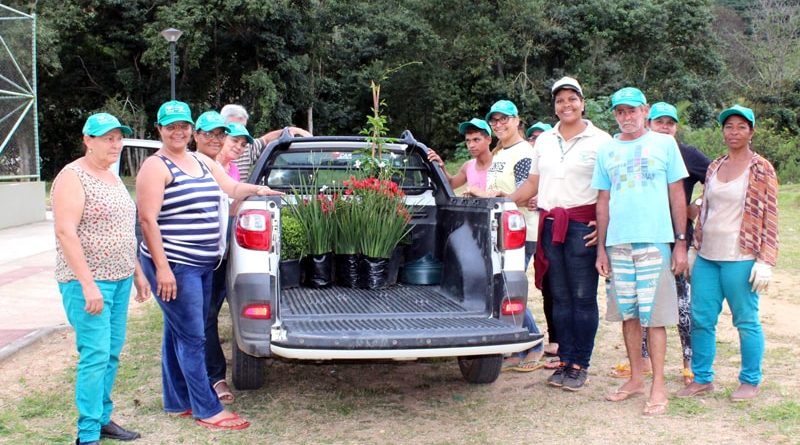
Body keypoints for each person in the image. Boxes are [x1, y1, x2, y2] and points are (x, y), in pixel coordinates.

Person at [136, 100, 281, 431]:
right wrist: (162, 268)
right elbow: (147, 220)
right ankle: (207, 408)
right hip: (176, 263)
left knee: (179, 331)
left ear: (190, 130)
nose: (178, 132)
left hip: (202, 263)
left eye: (183, 126)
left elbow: (230, 188)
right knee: (192, 337)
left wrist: (261, 190)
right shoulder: (155, 167)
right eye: (171, 127)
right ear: (159, 130)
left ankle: (177, 401)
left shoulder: (199, 162)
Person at [507, 77, 612, 390]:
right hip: (551, 226)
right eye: (560, 100)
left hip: (583, 226)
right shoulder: (544, 141)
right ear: (554, 106)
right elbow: (532, 185)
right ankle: (565, 359)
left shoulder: (601, 140)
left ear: (582, 102)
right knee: (560, 298)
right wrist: (499, 202)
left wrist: (605, 227)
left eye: (572, 99)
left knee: (582, 297)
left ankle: (581, 363)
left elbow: (611, 190)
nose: (566, 105)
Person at [52, 113, 150, 445]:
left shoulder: (112, 176)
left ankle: (103, 417)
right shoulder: (73, 176)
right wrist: (88, 283)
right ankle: (88, 434)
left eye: (118, 137)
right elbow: (66, 232)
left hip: (120, 279)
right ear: (87, 140)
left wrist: (137, 272)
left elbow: (124, 231)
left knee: (111, 352)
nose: (115, 144)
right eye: (106, 138)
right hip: (88, 284)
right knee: (94, 354)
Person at [593, 87, 688, 415]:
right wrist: (601, 249)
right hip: (618, 244)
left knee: (656, 317)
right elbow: (602, 201)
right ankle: (636, 378)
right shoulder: (607, 150)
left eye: (632, 110)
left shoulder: (664, 143)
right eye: (620, 112)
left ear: (645, 110)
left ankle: (658, 385)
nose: (626, 117)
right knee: (629, 314)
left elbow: (677, 194)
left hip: (654, 242)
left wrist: (680, 242)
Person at [677, 105, 778, 402]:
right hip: (709, 255)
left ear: (751, 131)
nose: (734, 132)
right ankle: (702, 378)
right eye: (729, 126)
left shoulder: (761, 168)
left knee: (745, 319)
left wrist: (765, 259)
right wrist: (695, 247)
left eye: (741, 127)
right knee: (701, 318)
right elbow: (706, 208)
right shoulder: (715, 166)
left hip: (742, 256)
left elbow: (770, 215)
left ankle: (749, 380)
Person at [608, 102, 711, 384]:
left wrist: (698, 203)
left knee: (681, 305)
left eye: (671, 122)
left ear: (676, 126)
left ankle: (688, 360)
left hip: (674, 240)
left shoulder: (685, 153)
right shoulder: (636, 149)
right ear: (649, 121)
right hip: (633, 239)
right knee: (641, 306)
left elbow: (716, 176)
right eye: (660, 121)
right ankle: (642, 362)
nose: (665, 126)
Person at [482, 99, 544, 371]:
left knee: (508, 287)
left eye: (504, 119)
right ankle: (517, 348)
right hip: (499, 229)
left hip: (520, 231)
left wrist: (501, 198)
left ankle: (534, 342)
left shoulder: (523, 153)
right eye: (494, 120)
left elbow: (526, 191)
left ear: (518, 120)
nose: (499, 124)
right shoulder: (500, 153)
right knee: (501, 288)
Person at [191, 111, 238, 406]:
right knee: (201, 317)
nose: (214, 139)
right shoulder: (188, 164)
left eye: (219, 135)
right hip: (192, 257)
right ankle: (212, 377)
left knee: (208, 316)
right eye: (208, 134)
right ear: (196, 135)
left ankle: (207, 376)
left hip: (219, 252)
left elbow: (231, 197)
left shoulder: (225, 168)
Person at [219, 104, 312, 180]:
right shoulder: (209, 157)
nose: (239, 146)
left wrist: (292, 130)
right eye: (234, 139)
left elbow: (265, 140)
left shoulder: (246, 148)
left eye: (242, 127)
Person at [426, 118, 493, 195]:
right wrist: (441, 167)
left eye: (476, 140)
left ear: (489, 140)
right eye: (468, 141)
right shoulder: (468, 166)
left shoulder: (500, 163)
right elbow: (451, 184)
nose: (471, 145)